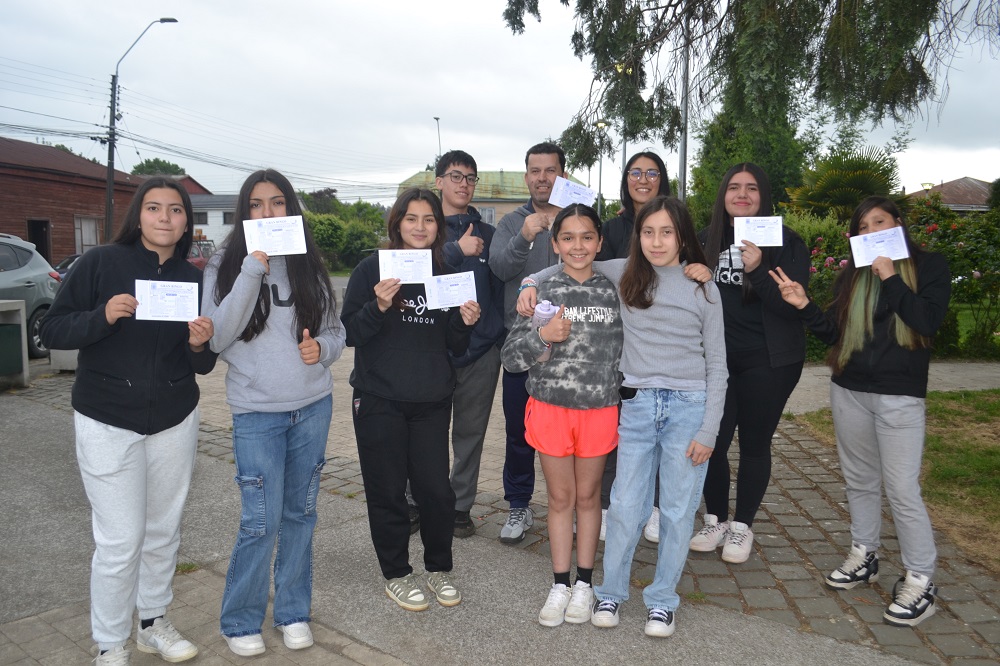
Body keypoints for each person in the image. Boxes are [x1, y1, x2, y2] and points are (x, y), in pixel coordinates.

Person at [518, 195, 725, 638]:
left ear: (682, 236)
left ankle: (663, 600)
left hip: (688, 406)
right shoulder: (622, 272)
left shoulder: (703, 288)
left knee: (675, 508)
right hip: (635, 405)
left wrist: (710, 427)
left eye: (667, 232)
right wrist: (528, 282)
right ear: (637, 237)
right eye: (648, 232)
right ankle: (610, 590)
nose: (656, 241)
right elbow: (569, 264)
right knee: (626, 504)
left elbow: (718, 366)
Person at [39, 177, 217, 665]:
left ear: (186, 222)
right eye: (155, 208)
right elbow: (53, 329)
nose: (165, 217)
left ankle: (152, 621)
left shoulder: (192, 277)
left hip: (175, 418)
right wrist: (103, 315)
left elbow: (202, 365)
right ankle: (110, 642)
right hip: (107, 419)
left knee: (164, 530)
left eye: (175, 210)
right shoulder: (100, 263)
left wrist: (201, 344)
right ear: (138, 215)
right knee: (119, 540)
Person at [770, 196, 950, 627]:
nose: (871, 233)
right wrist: (803, 305)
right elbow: (833, 329)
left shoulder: (929, 266)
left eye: (879, 223)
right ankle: (863, 554)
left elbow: (926, 320)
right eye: (863, 227)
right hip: (849, 390)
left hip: (899, 396)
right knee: (859, 481)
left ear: (898, 226)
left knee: (902, 488)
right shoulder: (852, 276)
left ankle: (921, 577)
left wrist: (890, 276)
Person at [203, 169, 346, 657]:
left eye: (278, 203)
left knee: (301, 513)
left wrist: (322, 351)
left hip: (312, 408)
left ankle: (292, 612)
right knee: (259, 521)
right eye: (257, 205)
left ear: (291, 210)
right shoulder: (224, 262)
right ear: (245, 212)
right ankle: (239, 619)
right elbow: (216, 337)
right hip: (256, 413)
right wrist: (252, 267)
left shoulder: (307, 260)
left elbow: (335, 330)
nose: (268, 213)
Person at [342, 187, 480, 612]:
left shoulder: (445, 273)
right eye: (411, 218)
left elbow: (453, 346)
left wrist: (465, 321)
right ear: (397, 223)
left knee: (437, 492)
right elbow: (352, 332)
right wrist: (379, 306)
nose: (420, 227)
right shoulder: (372, 271)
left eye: (429, 219)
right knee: (387, 492)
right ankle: (397, 574)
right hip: (379, 399)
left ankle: (438, 568)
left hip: (431, 402)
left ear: (439, 226)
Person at [502, 204, 623, 627]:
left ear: (599, 242)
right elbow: (512, 358)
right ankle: (559, 583)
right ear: (554, 244)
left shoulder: (615, 289)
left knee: (589, 499)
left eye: (586, 236)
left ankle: (585, 583)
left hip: (599, 409)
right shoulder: (539, 291)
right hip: (551, 408)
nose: (578, 245)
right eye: (567, 237)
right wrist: (542, 336)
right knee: (559, 499)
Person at [693, 163, 809, 564]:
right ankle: (716, 520)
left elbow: (791, 307)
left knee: (755, 443)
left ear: (764, 196)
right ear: (723, 194)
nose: (742, 195)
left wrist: (757, 269)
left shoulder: (788, 244)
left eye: (752, 188)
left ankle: (742, 527)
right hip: (716, 362)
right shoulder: (705, 241)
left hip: (770, 360)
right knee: (714, 441)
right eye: (734, 187)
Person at [406, 150, 504, 539]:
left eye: (470, 178)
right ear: (439, 181)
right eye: (456, 176)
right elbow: (409, 270)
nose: (464, 184)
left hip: (480, 352)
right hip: (431, 351)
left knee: (469, 433)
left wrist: (492, 333)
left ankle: (460, 507)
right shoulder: (424, 230)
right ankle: (417, 502)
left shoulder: (490, 235)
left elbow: (501, 289)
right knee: (424, 433)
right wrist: (454, 250)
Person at [488, 141, 566, 543]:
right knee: (518, 431)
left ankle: (566, 506)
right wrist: (523, 236)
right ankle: (519, 505)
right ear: (526, 177)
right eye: (534, 171)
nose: (541, 178)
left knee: (567, 433)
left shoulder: (575, 219)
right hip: (519, 346)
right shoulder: (512, 221)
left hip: (568, 347)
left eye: (549, 170)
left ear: (562, 175)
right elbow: (500, 269)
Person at [595, 151, 672, 544]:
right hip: (616, 340)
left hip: (660, 343)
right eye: (635, 172)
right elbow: (589, 269)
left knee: (658, 426)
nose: (643, 179)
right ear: (626, 179)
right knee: (616, 428)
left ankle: (655, 507)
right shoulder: (611, 226)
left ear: (662, 179)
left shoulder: (674, 221)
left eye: (651, 172)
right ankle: (608, 507)